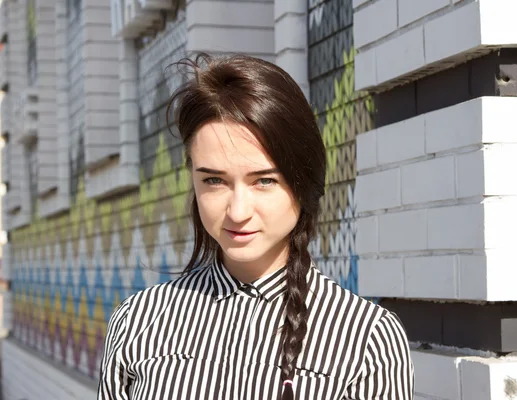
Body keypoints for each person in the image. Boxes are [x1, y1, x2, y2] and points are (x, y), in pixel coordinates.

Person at [97, 53, 414, 400]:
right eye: (214, 180)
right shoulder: (137, 322)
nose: (238, 211)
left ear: (302, 181)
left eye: (263, 181)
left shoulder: (367, 339)